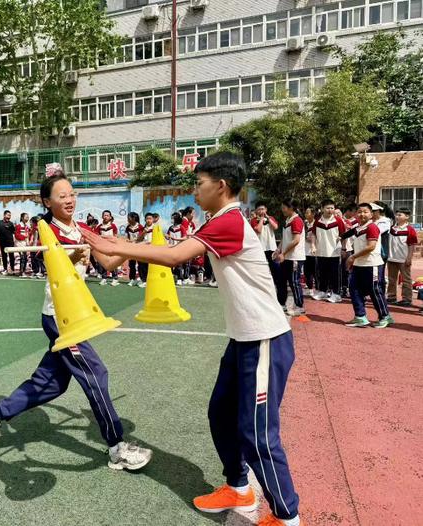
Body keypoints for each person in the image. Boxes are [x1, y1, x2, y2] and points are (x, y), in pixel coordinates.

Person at [82, 152, 302, 526]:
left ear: (222, 186)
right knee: (220, 413)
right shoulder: (219, 220)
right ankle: (238, 487)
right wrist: (116, 245)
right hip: (243, 340)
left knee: (258, 434)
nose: (195, 191)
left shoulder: (229, 221)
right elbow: (170, 250)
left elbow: (173, 256)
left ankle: (286, 517)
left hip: (265, 340)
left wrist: (114, 246)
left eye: (199, 184)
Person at [0, 169, 153, 472]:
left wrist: (132, 248)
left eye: (72, 194)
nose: (69, 199)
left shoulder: (82, 229)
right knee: (96, 375)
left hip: (75, 316)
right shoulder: (47, 230)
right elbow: (55, 262)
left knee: (51, 385)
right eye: (62, 195)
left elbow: (108, 262)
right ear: (47, 201)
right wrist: (74, 257)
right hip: (60, 318)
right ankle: (117, 448)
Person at [345, 203, 393, 329]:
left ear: (371, 214)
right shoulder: (358, 228)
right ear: (356, 214)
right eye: (359, 212)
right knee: (354, 289)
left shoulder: (372, 227)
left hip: (372, 264)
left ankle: (385, 316)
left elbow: (371, 246)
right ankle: (360, 316)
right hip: (359, 264)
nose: (362, 214)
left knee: (375, 291)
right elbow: (349, 233)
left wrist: (353, 257)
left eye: (365, 212)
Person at [274, 199, 306, 316]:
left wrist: (284, 253)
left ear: (291, 208)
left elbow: (296, 240)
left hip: (294, 257)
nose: (282, 210)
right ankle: (281, 304)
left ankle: (299, 306)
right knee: (281, 281)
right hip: (286, 257)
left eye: (284, 207)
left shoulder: (297, 220)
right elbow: (285, 238)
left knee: (294, 282)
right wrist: (278, 250)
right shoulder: (288, 220)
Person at [311, 200, 347, 303]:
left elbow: (344, 236)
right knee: (321, 273)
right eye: (327, 208)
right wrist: (313, 245)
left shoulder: (338, 221)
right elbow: (313, 234)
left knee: (335, 274)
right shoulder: (318, 221)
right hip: (321, 251)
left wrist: (343, 249)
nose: (330, 210)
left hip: (334, 252)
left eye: (332, 208)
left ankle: (336, 294)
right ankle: (322, 291)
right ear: (322, 208)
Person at [386, 208, 418, 307]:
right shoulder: (392, 228)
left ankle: (407, 299)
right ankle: (391, 297)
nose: (397, 217)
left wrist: (409, 258)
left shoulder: (410, 229)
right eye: (397, 215)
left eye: (400, 215)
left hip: (403, 259)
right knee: (391, 279)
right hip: (391, 258)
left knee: (406, 280)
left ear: (407, 217)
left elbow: (411, 245)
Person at [250, 201, 279, 289]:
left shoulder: (271, 218)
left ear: (266, 209)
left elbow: (275, 227)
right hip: (260, 249)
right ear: (256, 211)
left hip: (271, 248)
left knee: (275, 268)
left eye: (262, 209)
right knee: (261, 268)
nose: (261, 211)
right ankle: (262, 286)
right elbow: (258, 230)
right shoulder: (254, 220)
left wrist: (267, 218)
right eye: (259, 209)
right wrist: (262, 219)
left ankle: (276, 285)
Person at [96, 210, 119, 286]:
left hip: (111, 247)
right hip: (103, 248)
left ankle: (115, 278)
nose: (106, 217)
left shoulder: (113, 226)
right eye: (104, 215)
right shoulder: (99, 227)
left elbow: (115, 236)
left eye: (107, 215)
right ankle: (104, 278)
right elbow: (96, 236)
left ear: (110, 217)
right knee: (103, 263)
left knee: (112, 262)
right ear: (102, 216)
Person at [303, 206, 317, 298]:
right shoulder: (304, 223)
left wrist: (313, 240)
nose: (306, 214)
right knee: (307, 271)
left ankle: (319, 289)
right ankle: (310, 289)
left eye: (308, 212)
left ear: (313, 214)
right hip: (305, 251)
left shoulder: (317, 223)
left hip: (314, 251)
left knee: (315, 271)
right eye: (306, 212)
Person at [125, 212, 142, 286]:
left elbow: (141, 238)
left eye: (129, 217)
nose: (128, 219)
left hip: (139, 247)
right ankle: (132, 279)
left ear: (134, 218)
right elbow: (127, 236)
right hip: (131, 247)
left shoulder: (140, 227)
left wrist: (134, 241)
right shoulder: (128, 227)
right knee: (131, 264)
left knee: (141, 264)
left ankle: (142, 279)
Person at [0, 210, 16, 274]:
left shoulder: (11, 223)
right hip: (2, 242)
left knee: (11, 256)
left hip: (10, 242)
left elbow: (14, 232)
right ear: (4, 215)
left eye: (10, 215)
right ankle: (5, 269)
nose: (9, 217)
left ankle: (12, 269)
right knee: (4, 256)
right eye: (8, 215)